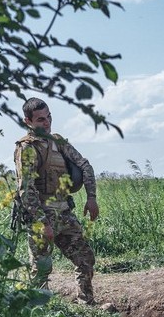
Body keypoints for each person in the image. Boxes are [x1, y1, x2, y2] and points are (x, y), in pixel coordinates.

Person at [14, 97, 100, 304]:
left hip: (64, 214)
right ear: (28, 121)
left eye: (49, 117)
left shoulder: (58, 142)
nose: (47, 122)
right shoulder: (27, 148)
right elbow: (26, 189)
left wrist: (91, 198)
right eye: (41, 119)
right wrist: (42, 222)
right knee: (41, 269)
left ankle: (86, 303)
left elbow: (85, 166)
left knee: (85, 258)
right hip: (42, 217)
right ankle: (40, 314)